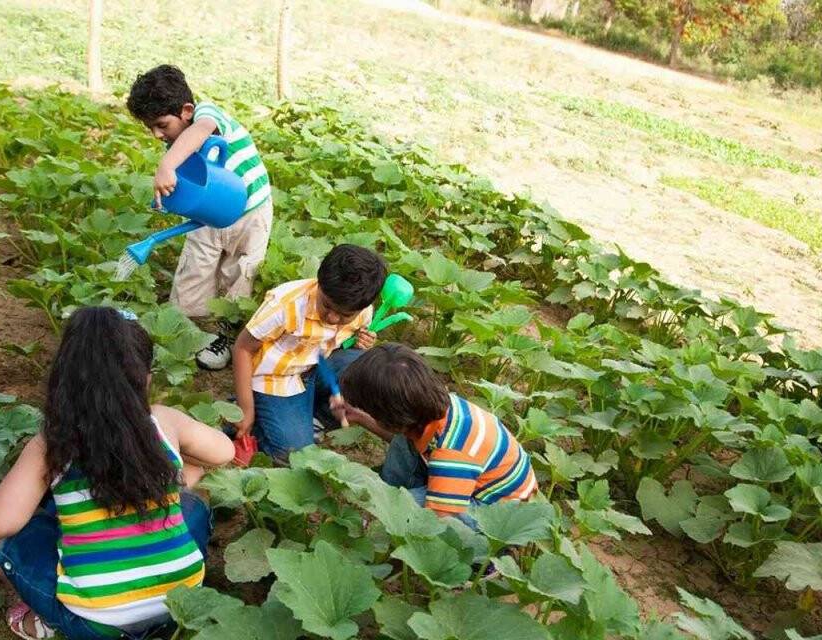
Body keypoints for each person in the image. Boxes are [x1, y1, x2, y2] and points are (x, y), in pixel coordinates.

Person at [0, 307, 235, 640]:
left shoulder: (53, 441)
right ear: (146, 378)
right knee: (192, 492)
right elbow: (224, 452)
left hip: (97, 624)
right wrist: (173, 464)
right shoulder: (164, 421)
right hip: (179, 604)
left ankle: (46, 615)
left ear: (63, 379)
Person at [126, 64, 273, 371]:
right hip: (207, 217)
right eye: (150, 128)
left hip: (251, 215)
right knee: (194, 273)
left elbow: (200, 130)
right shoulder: (175, 143)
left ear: (186, 109)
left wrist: (165, 165)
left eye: (161, 125)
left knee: (241, 275)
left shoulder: (207, 115)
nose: (156, 134)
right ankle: (189, 333)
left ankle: (227, 337)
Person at [339, 344, 539, 526]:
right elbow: (405, 437)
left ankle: (383, 510)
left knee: (407, 509)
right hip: (473, 483)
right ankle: (384, 493)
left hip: (498, 515)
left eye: (370, 411)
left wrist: (393, 517)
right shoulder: (432, 409)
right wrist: (362, 418)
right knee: (403, 444)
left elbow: (438, 520)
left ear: (392, 417)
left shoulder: (452, 452)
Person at [232, 244, 386, 462]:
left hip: (316, 366)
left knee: (372, 368)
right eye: (327, 306)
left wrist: (360, 344)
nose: (333, 318)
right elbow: (243, 348)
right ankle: (258, 410)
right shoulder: (286, 305)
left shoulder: (361, 308)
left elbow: (344, 347)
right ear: (319, 284)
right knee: (294, 455)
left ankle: (310, 415)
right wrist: (245, 410)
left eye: (344, 315)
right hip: (275, 378)